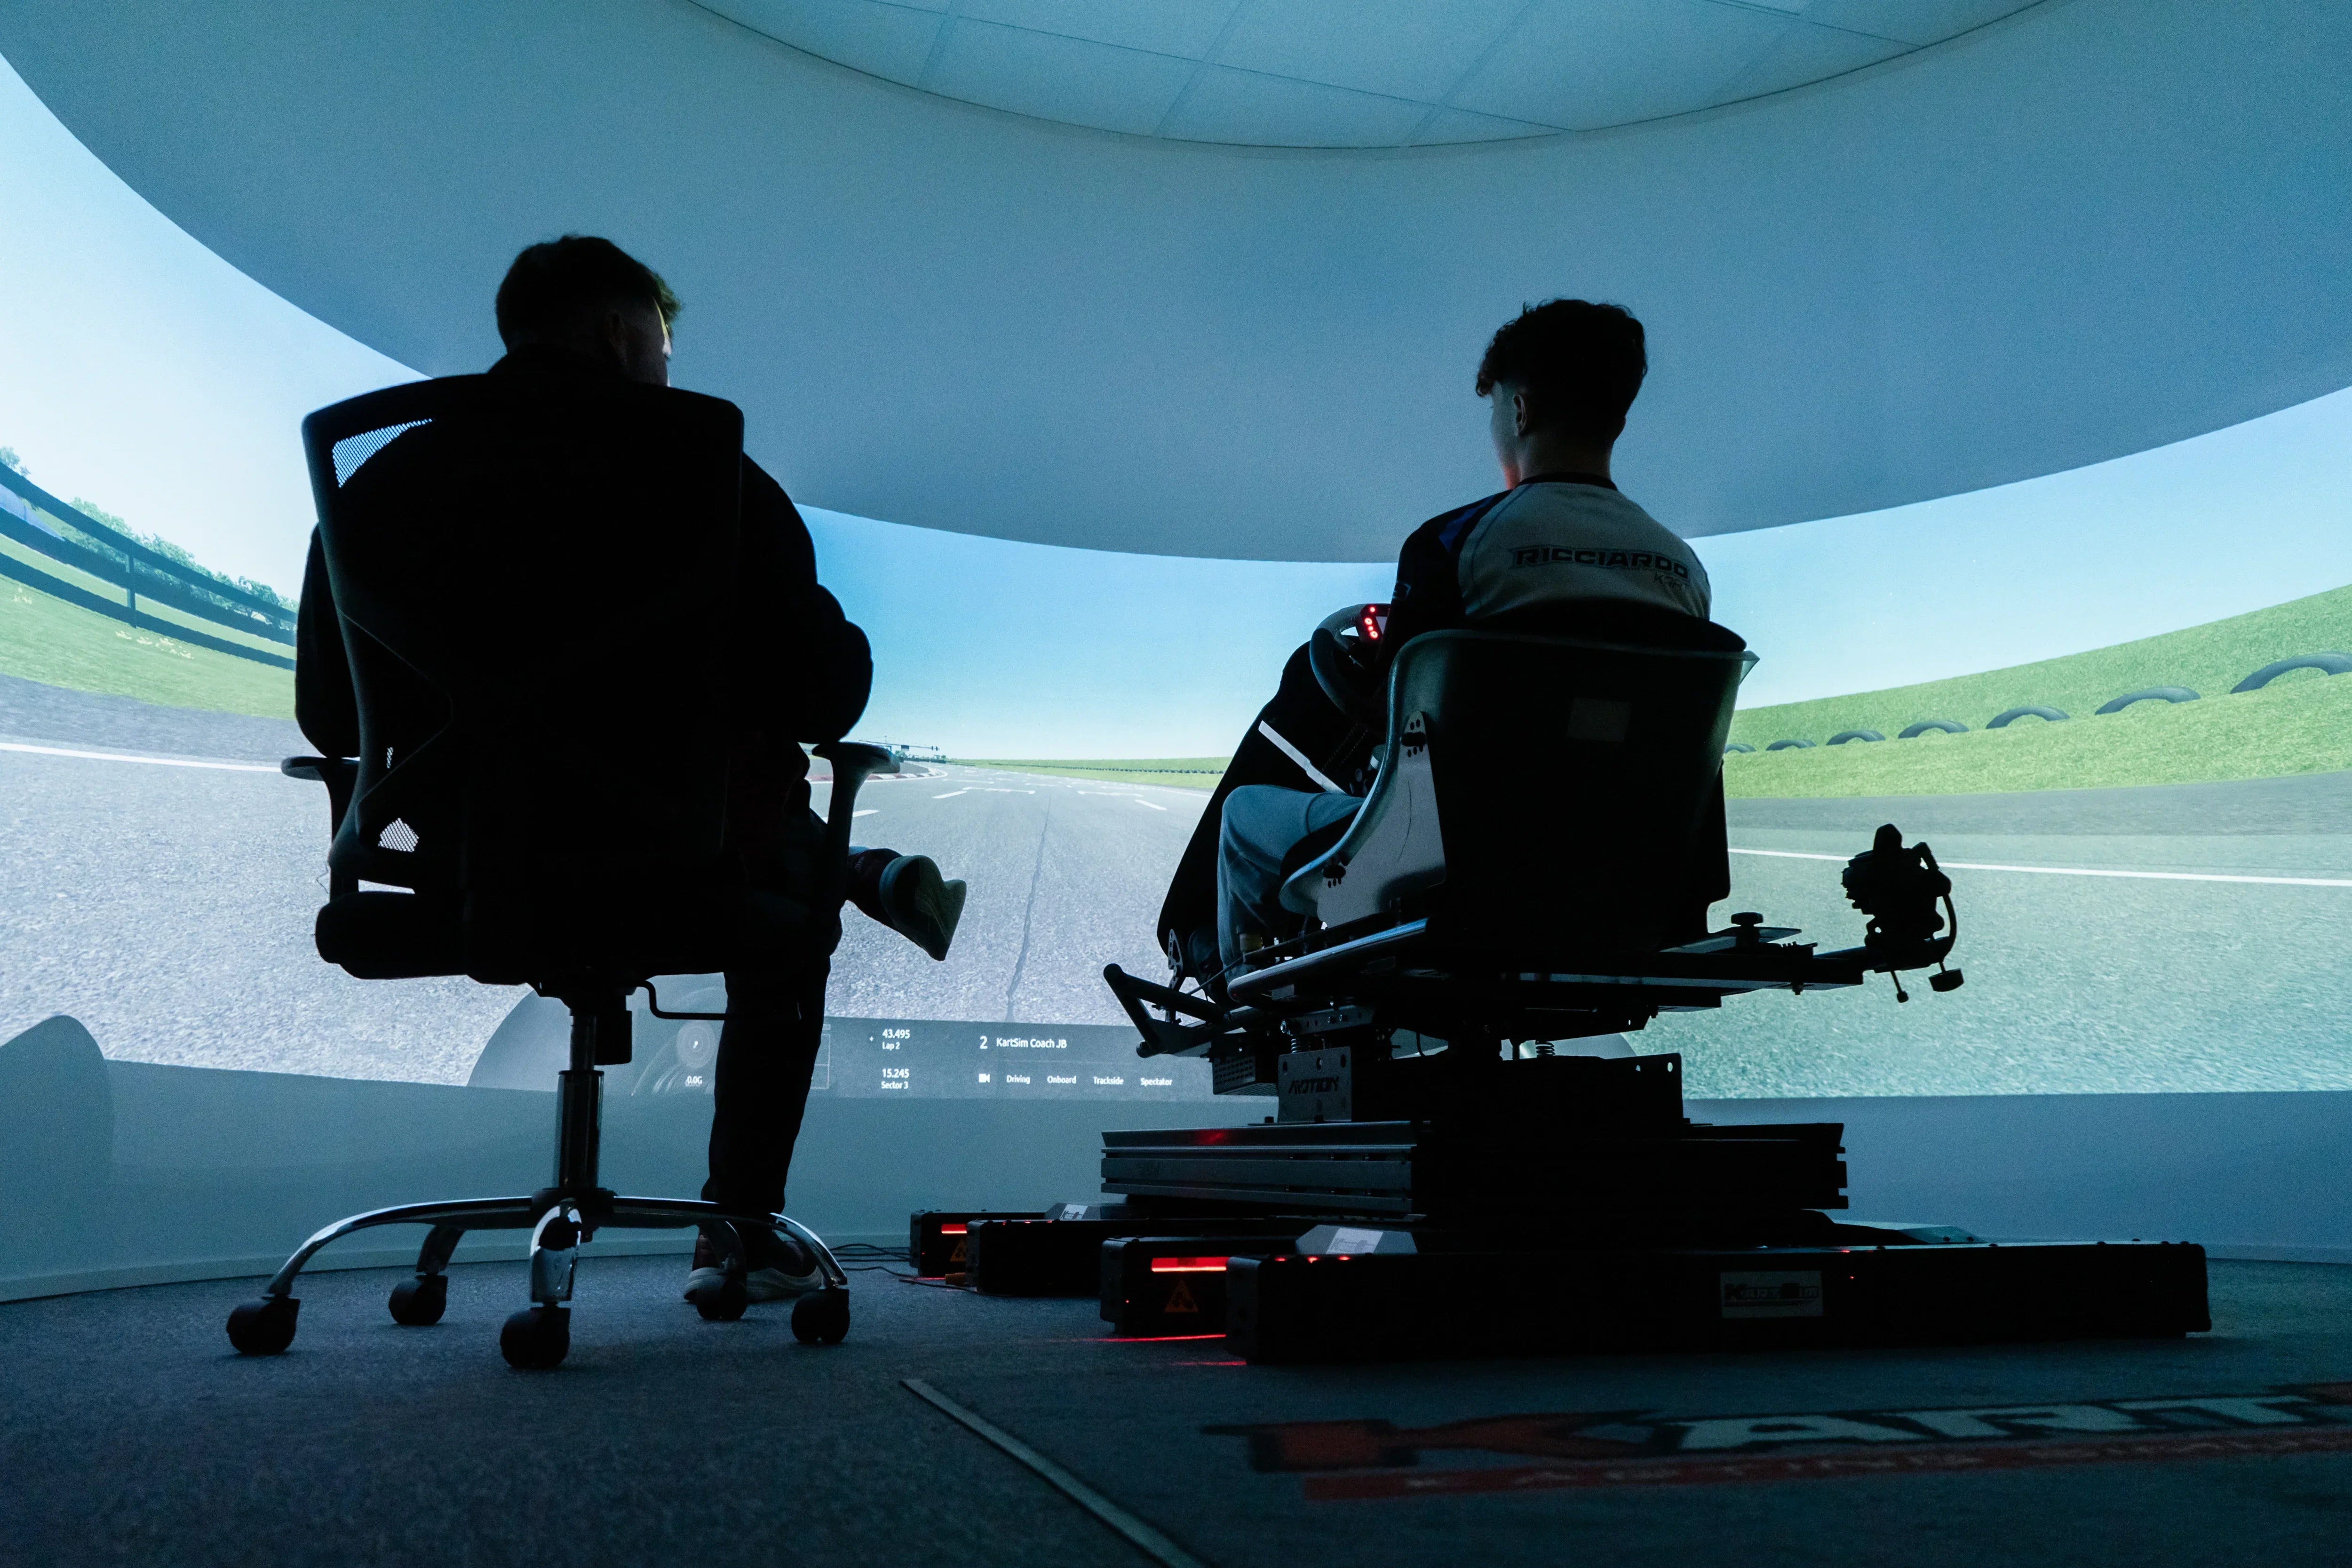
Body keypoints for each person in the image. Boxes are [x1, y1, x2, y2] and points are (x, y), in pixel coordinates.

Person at [294, 235, 967, 1303]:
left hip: (465, 867)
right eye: (659, 341)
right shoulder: (707, 471)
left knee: (765, 842)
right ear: (619, 333)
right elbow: (828, 694)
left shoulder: (385, 474)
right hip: (679, 866)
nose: (665, 365)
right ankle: (737, 1227)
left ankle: (854, 873)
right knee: (785, 914)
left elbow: (326, 713)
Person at [1156, 298, 1712, 984]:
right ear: (1619, 417)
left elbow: (1394, 715)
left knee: (1245, 815)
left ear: (1520, 412)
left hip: (1451, 868)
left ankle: (1246, 1001)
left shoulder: (1457, 546)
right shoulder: (1682, 569)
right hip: (1628, 877)